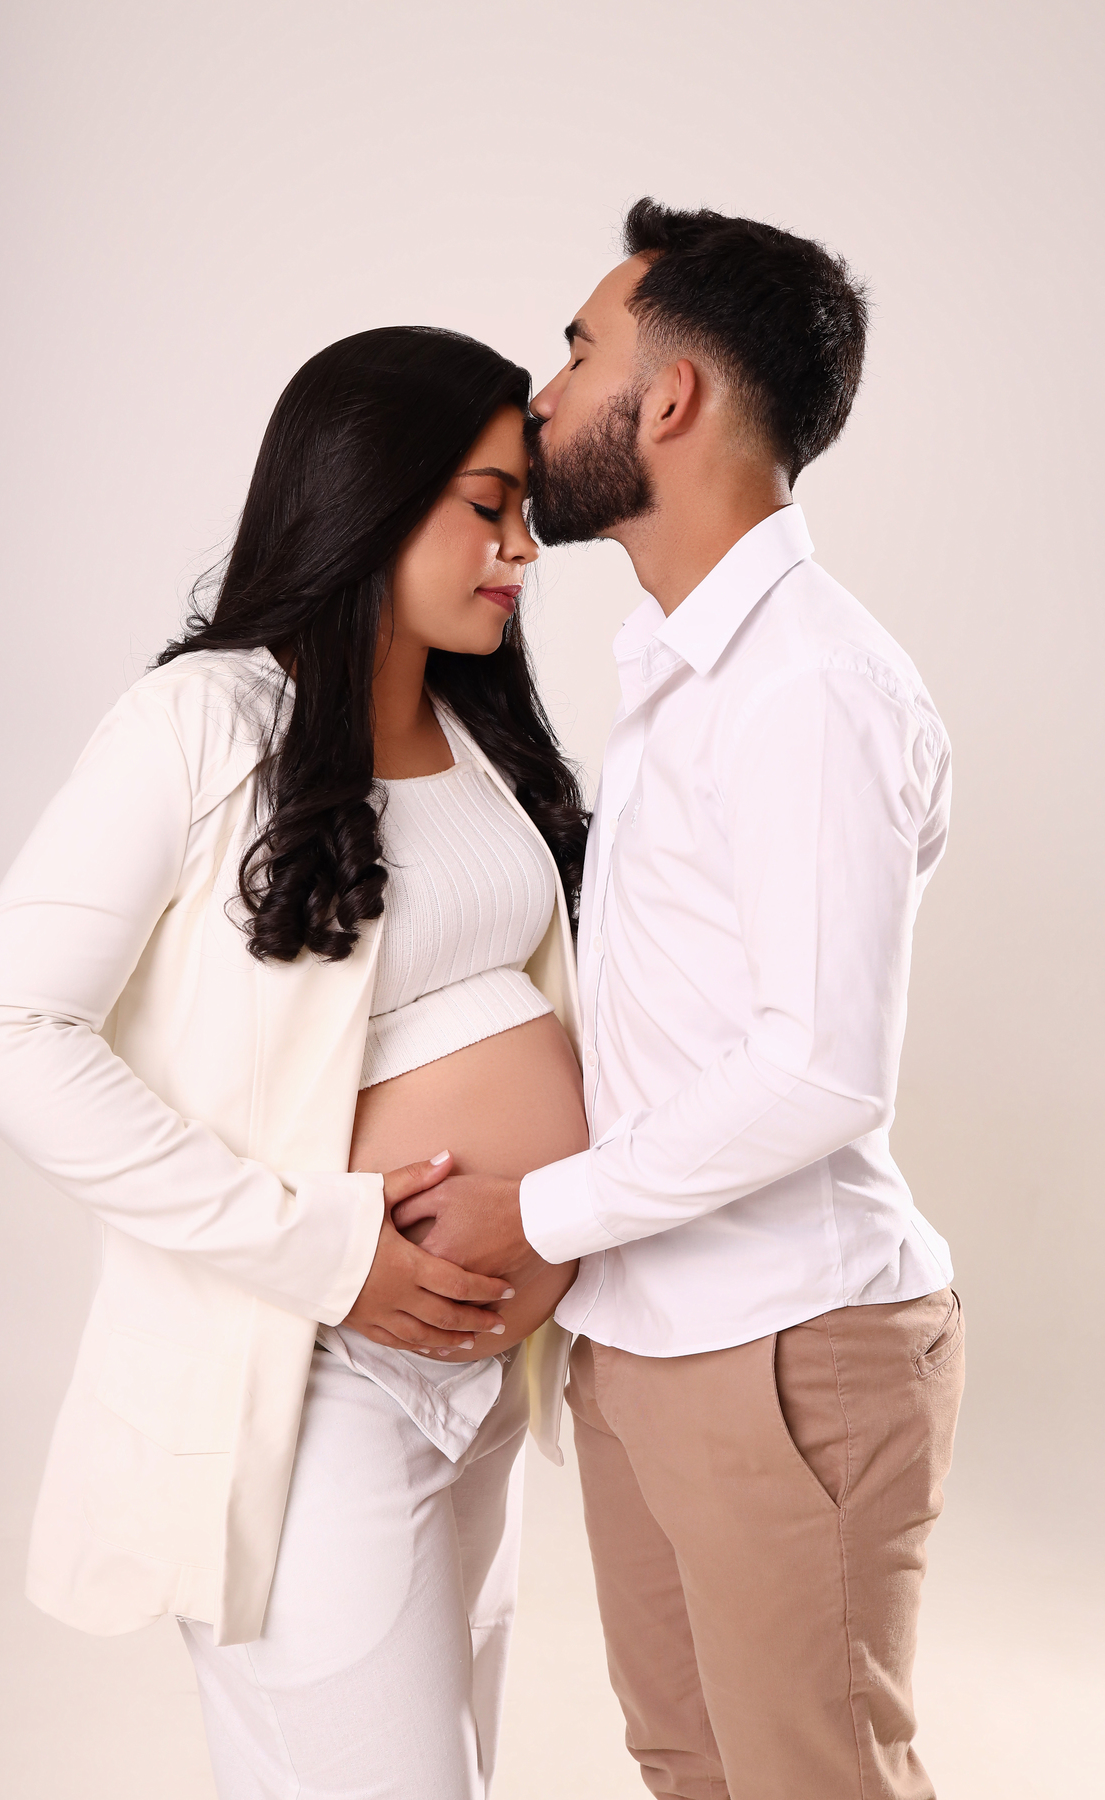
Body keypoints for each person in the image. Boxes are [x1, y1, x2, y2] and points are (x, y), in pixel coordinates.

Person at [0, 326, 591, 1800]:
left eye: (528, 514)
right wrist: (325, 1254)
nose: (524, 551)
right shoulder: (206, 719)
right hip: (309, 1381)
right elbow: (0, 1028)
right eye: (490, 507)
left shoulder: (474, 733)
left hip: (483, 1387)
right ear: (371, 494)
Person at [392, 201, 966, 1799]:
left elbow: (822, 1071)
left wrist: (539, 1211)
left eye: (580, 352)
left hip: (784, 1345)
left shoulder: (809, 684)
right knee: (690, 1766)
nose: (543, 394)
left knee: (808, 1775)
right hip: (644, 1333)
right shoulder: (682, 665)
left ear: (672, 398)